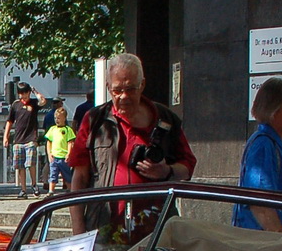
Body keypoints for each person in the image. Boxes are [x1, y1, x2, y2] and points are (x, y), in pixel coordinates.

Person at [68, 53, 194, 191]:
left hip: (157, 210)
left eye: (130, 89)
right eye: (117, 90)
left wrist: (167, 171)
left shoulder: (165, 119)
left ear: (142, 85)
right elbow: (80, 176)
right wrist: (77, 213)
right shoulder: (94, 120)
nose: (124, 96)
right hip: (105, 211)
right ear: (108, 87)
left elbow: (188, 166)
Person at [234, 77, 282, 233]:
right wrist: (281, 241)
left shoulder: (281, 148)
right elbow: (259, 203)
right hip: (268, 248)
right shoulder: (264, 145)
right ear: (274, 109)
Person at [3, 83, 40, 194]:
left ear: (29, 92)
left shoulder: (34, 103)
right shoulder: (15, 105)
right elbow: (9, 121)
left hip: (30, 138)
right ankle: (23, 189)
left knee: (30, 164)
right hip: (18, 140)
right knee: (20, 166)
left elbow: (43, 101)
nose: (23, 96)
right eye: (21, 93)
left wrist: (36, 93)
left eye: (25, 93)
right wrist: (6, 136)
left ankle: (34, 184)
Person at [44, 102, 75, 193]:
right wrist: (49, 153)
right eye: (55, 118)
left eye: (59, 118)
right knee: (53, 174)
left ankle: (70, 189)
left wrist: (69, 153)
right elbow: (49, 142)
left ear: (64, 118)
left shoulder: (67, 130)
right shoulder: (52, 129)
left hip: (64, 157)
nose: (57, 120)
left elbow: (70, 143)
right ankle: (51, 191)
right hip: (54, 156)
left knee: (67, 174)